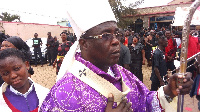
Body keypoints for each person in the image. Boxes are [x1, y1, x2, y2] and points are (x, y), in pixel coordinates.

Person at [40, 0, 193, 111]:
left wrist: (168, 91)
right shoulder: (64, 94)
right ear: (84, 43)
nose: (115, 41)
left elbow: (145, 101)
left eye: (116, 34)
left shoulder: (122, 73)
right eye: (105, 35)